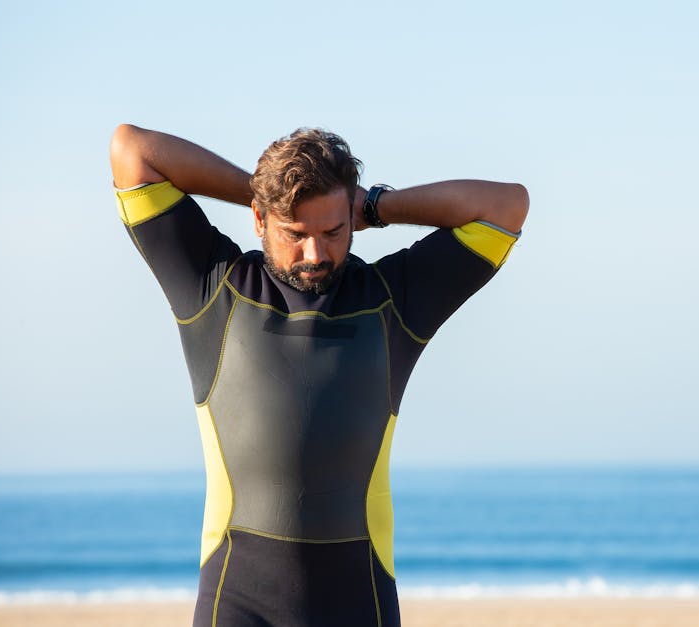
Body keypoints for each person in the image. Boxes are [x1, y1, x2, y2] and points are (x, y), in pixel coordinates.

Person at [109, 124, 528, 627]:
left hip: (359, 602)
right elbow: (130, 150)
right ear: (259, 219)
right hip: (237, 603)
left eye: (333, 232)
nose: (316, 254)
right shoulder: (213, 289)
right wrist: (258, 189)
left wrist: (376, 207)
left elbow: (507, 206)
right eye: (295, 233)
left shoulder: (394, 302)